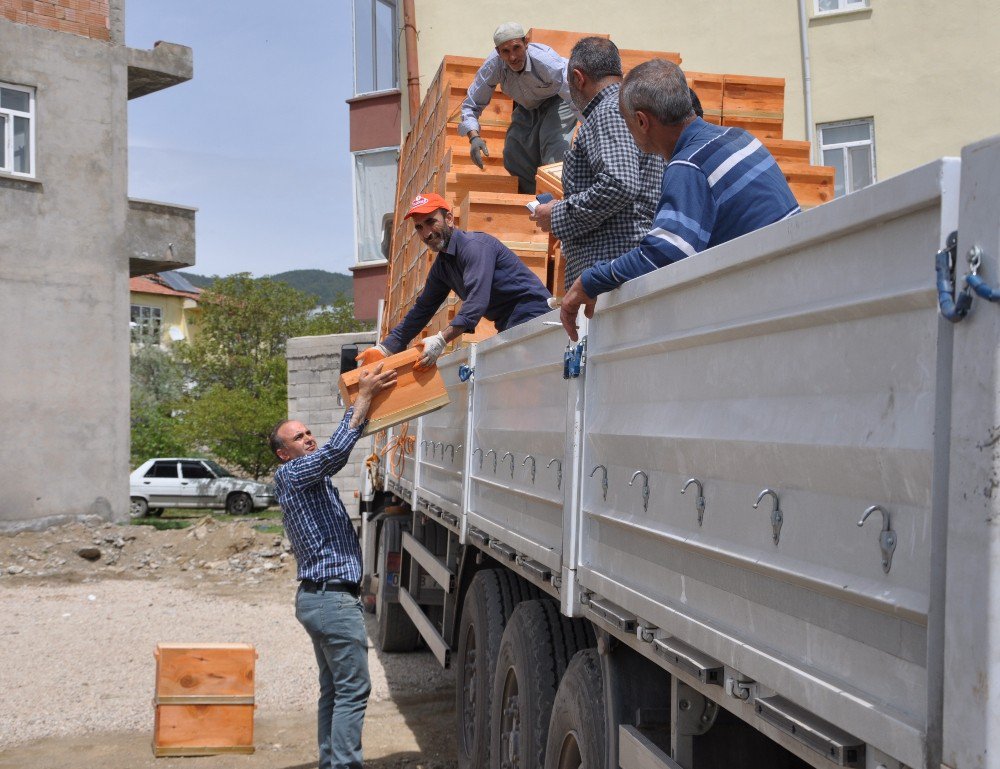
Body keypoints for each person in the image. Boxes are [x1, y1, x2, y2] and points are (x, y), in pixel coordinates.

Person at [560, 59, 800, 340]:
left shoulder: (689, 166)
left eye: (627, 123)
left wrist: (591, 280)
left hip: (765, 309)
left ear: (641, 121)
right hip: (790, 288)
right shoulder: (739, 137)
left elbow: (665, 254)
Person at [269, 362, 397, 769]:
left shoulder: (311, 474)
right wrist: (362, 396)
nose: (307, 439)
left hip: (323, 599)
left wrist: (364, 405)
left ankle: (333, 764)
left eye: (308, 433)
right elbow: (336, 452)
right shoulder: (292, 474)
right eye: (297, 437)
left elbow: (334, 450)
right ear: (282, 452)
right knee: (354, 691)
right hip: (330, 601)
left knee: (335, 690)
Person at [529, 37, 665, 290]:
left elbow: (620, 184)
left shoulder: (609, 111)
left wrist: (557, 213)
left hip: (609, 272)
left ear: (579, 78)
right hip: (619, 269)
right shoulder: (628, 108)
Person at [358, 193, 553, 368]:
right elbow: (422, 310)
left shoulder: (474, 247)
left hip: (535, 314)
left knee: (527, 382)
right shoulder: (443, 266)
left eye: (431, 221)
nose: (427, 233)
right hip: (509, 323)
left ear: (449, 219)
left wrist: (441, 339)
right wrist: (385, 349)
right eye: (419, 227)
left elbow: (476, 301)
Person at [459, 22, 578, 194]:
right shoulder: (494, 66)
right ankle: (537, 200)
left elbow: (574, 96)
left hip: (558, 100)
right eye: (506, 52)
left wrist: (593, 128)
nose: (513, 57)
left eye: (516, 48)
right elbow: (471, 104)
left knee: (554, 152)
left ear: (526, 43)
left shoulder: (546, 62)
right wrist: (474, 138)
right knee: (513, 155)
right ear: (498, 52)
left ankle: (558, 202)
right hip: (527, 106)